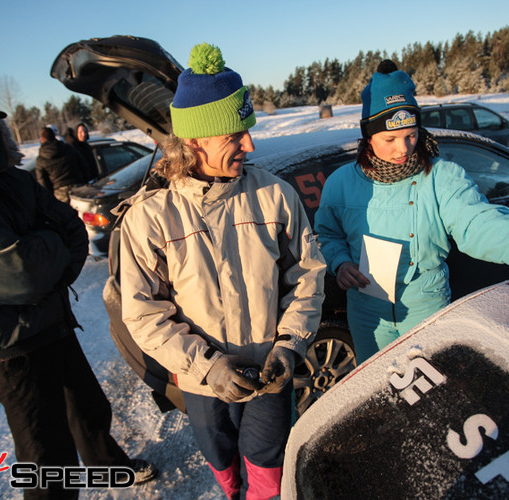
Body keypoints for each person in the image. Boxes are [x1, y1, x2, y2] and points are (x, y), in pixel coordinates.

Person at [0, 75, 157, 499]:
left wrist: (42, 255)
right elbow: (17, 275)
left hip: (52, 322)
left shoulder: (12, 179)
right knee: (45, 454)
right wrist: (44, 251)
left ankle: (111, 468)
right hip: (11, 347)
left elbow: (72, 229)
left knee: (91, 411)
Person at [118, 43, 326, 500]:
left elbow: (307, 276)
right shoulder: (151, 217)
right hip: (203, 381)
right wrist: (208, 368)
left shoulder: (275, 195)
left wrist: (291, 344)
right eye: (236, 135)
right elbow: (142, 313)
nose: (249, 144)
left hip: (271, 370)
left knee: (269, 463)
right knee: (221, 459)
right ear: (196, 141)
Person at [314, 60, 509, 364]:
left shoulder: (441, 178)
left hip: (426, 307)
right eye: (390, 139)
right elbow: (329, 233)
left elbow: (479, 223)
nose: (403, 149)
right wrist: (341, 263)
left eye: (411, 135)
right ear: (368, 136)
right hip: (367, 314)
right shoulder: (341, 183)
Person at [35, 126, 86, 203]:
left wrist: (50, 198)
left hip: (60, 193)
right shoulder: (68, 148)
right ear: (54, 136)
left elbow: (43, 182)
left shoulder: (41, 159)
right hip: (78, 186)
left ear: (41, 139)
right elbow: (83, 165)